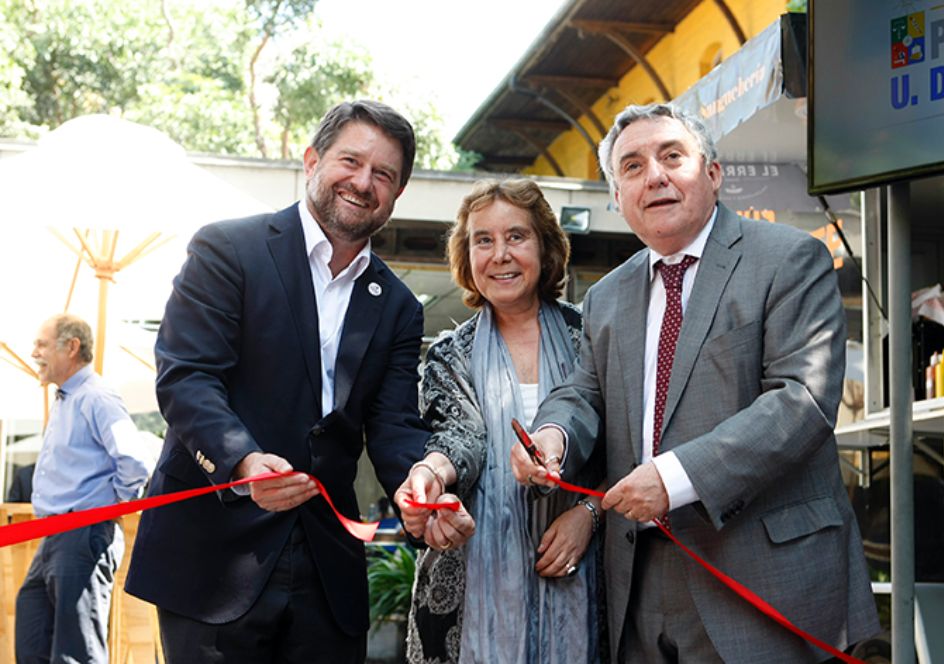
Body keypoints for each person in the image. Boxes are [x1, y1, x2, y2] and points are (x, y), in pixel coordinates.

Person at [510, 103, 880, 663]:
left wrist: (674, 477)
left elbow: (801, 400)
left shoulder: (789, 259)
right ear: (617, 197)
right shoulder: (606, 296)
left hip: (763, 578)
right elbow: (585, 392)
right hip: (639, 579)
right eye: (631, 166)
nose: (654, 175)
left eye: (672, 156)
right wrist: (554, 434)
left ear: (712, 173)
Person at [124, 100, 430, 663]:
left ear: (397, 193)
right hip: (214, 556)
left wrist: (420, 489)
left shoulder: (400, 306)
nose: (363, 183)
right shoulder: (227, 250)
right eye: (351, 161)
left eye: (383, 174)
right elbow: (188, 377)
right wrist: (242, 463)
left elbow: (393, 426)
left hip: (328, 565)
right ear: (312, 159)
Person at [395, 179, 605, 663]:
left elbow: (632, 454)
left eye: (516, 236)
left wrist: (590, 518)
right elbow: (458, 437)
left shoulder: (594, 338)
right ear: (466, 256)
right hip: (473, 589)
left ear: (546, 246)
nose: (500, 255)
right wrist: (430, 477)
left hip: (585, 577)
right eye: (483, 240)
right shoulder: (451, 354)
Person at [16, 314, 153, 663]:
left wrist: (112, 504)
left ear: (71, 346)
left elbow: (134, 462)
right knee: (32, 641)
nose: (34, 353)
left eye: (41, 344)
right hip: (53, 536)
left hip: (83, 532)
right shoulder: (66, 401)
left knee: (76, 653)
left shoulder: (96, 396)